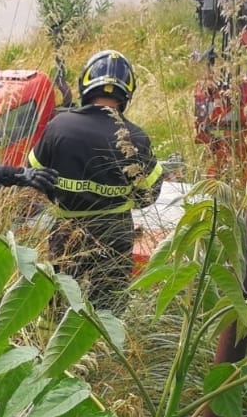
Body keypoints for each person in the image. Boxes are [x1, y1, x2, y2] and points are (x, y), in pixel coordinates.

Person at [26, 50, 161, 307]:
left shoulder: (59, 126)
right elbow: (148, 195)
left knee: (63, 306)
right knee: (109, 312)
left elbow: (33, 176)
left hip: (66, 235)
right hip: (115, 237)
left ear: (85, 85)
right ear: (126, 93)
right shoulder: (136, 138)